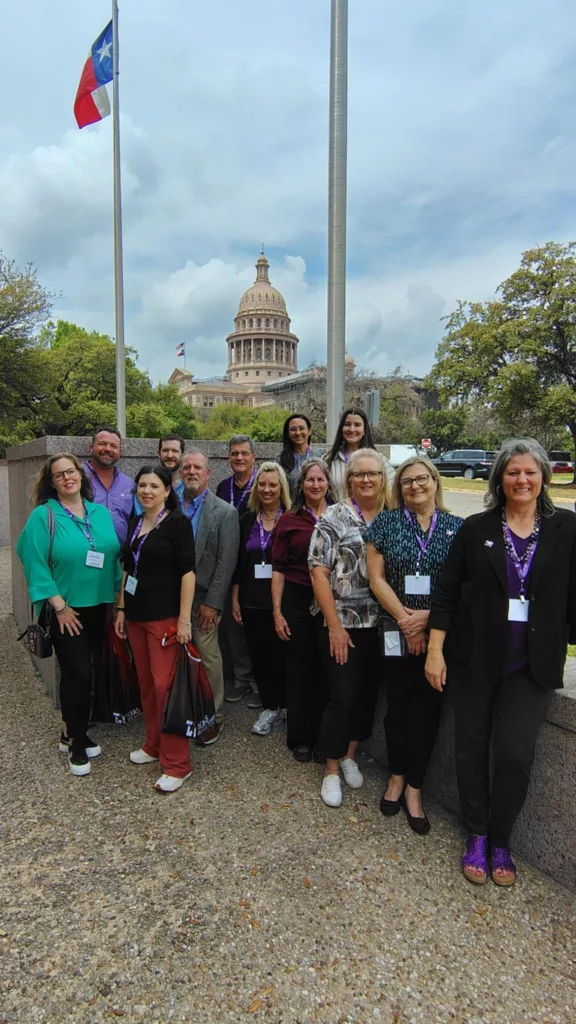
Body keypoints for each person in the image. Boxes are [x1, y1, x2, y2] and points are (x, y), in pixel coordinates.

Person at [425, 438, 576, 886]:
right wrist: (435, 650)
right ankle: (476, 833)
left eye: (530, 472)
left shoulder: (566, 527)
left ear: (544, 476)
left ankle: (501, 839)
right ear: (499, 479)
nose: (522, 480)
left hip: (531, 667)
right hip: (474, 661)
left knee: (514, 756)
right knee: (470, 749)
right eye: (513, 472)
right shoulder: (477, 528)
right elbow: (447, 591)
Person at [365, 457, 464, 834]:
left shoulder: (457, 528)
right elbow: (376, 578)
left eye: (422, 479)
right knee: (397, 709)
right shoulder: (386, 523)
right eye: (407, 481)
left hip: (439, 635)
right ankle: (396, 776)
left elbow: (461, 586)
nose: (415, 486)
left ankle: (415, 789)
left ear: (435, 482)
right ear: (399, 487)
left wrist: (428, 619)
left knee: (428, 712)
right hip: (395, 630)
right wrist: (407, 621)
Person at [16, 453, 121, 777]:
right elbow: (33, 561)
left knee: (85, 671)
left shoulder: (99, 513)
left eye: (71, 471)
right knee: (78, 674)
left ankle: (69, 731)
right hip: (64, 609)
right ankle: (76, 741)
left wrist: (118, 601)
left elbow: (113, 557)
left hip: (98, 606)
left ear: (81, 474)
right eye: (59, 474)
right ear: (52, 482)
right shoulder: (44, 515)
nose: (67, 478)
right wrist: (59, 606)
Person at [309, 449, 388, 808]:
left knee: (366, 696)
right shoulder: (334, 516)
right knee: (342, 697)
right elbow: (318, 572)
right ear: (349, 480)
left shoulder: (390, 516)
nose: (366, 480)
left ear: (383, 479)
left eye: (373, 474)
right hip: (342, 621)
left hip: (381, 624)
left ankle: (350, 755)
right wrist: (334, 627)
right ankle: (330, 768)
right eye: (359, 474)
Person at [114, 463, 196, 793]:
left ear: (167, 491)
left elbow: (188, 573)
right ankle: (153, 743)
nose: (146, 491)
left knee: (165, 688)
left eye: (153, 486)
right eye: (142, 485)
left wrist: (184, 619)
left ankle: (177, 764)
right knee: (146, 683)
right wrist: (121, 607)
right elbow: (127, 568)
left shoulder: (177, 523)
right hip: (136, 616)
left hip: (165, 619)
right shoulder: (136, 522)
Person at [271, 459, 334, 762]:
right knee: (298, 669)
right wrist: (277, 611)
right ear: (301, 484)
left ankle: (323, 737)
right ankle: (300, 738)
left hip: (330, 601)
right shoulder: (288, 520)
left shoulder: (340, 516)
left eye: (320, 479)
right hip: (296, 599)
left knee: (324, 668)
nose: (315, 485)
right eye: (310, 479)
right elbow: (278, 569)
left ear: (328, 483)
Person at [178, 449, 239, 744]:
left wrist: (213, 604)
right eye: (186, 467)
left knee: (208, 656)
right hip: (169, 598)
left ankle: (213, 717)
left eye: (197, 467)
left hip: (203, 600)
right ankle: (181, 709)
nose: (191, 471)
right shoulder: (167, 506)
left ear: (208, 473)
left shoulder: (225, 512)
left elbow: (226, 563)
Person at [231, 462, 291, 735]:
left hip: (285, 602)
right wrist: (235, 598)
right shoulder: (246, 520)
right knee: (260, 656)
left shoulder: (290, 519)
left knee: (284, 657)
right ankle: (270, 707)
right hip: (252, 601)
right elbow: (239, 563)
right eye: (262, 484)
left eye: (272, 485)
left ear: (282, 488)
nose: (267, 490)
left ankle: (288, 706)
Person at [215, 434, 260, 709]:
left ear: (254, 457)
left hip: (256, 563)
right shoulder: (222, 487)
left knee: (255, 624)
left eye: (244, 453)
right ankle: (242, 678)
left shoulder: (263, 484)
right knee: (233, 624)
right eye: (234, 454)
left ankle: (259, 681)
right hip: (228, 563)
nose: (239, 458)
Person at [326, 407, 394, 500]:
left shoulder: (380, 460)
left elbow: (392, 491)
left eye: (357, 425)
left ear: (364, 430)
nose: (351, 429)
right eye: (347, 424)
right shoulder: (329, 460)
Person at [84, 425, 135, 544]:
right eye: (102, 444)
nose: (108, 449)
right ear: (91, 448)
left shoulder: (129, 484)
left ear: (120, 453)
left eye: (113, 446)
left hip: (120, 554)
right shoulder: (76, 478)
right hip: (82, 552)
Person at [133, 435, 185, 515]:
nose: (170, 455)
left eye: (175, 451)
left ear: (182, 454)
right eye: (165, 450)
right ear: (159, 453)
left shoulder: (187, 487)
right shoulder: (144, 487)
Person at [277, 413, 323, 500]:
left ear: (309, 431)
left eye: (301, 428)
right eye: (293, 429)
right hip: (291, 507)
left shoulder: (321, 455)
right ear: (288, 434)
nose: (298, 433)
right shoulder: (281, 460)